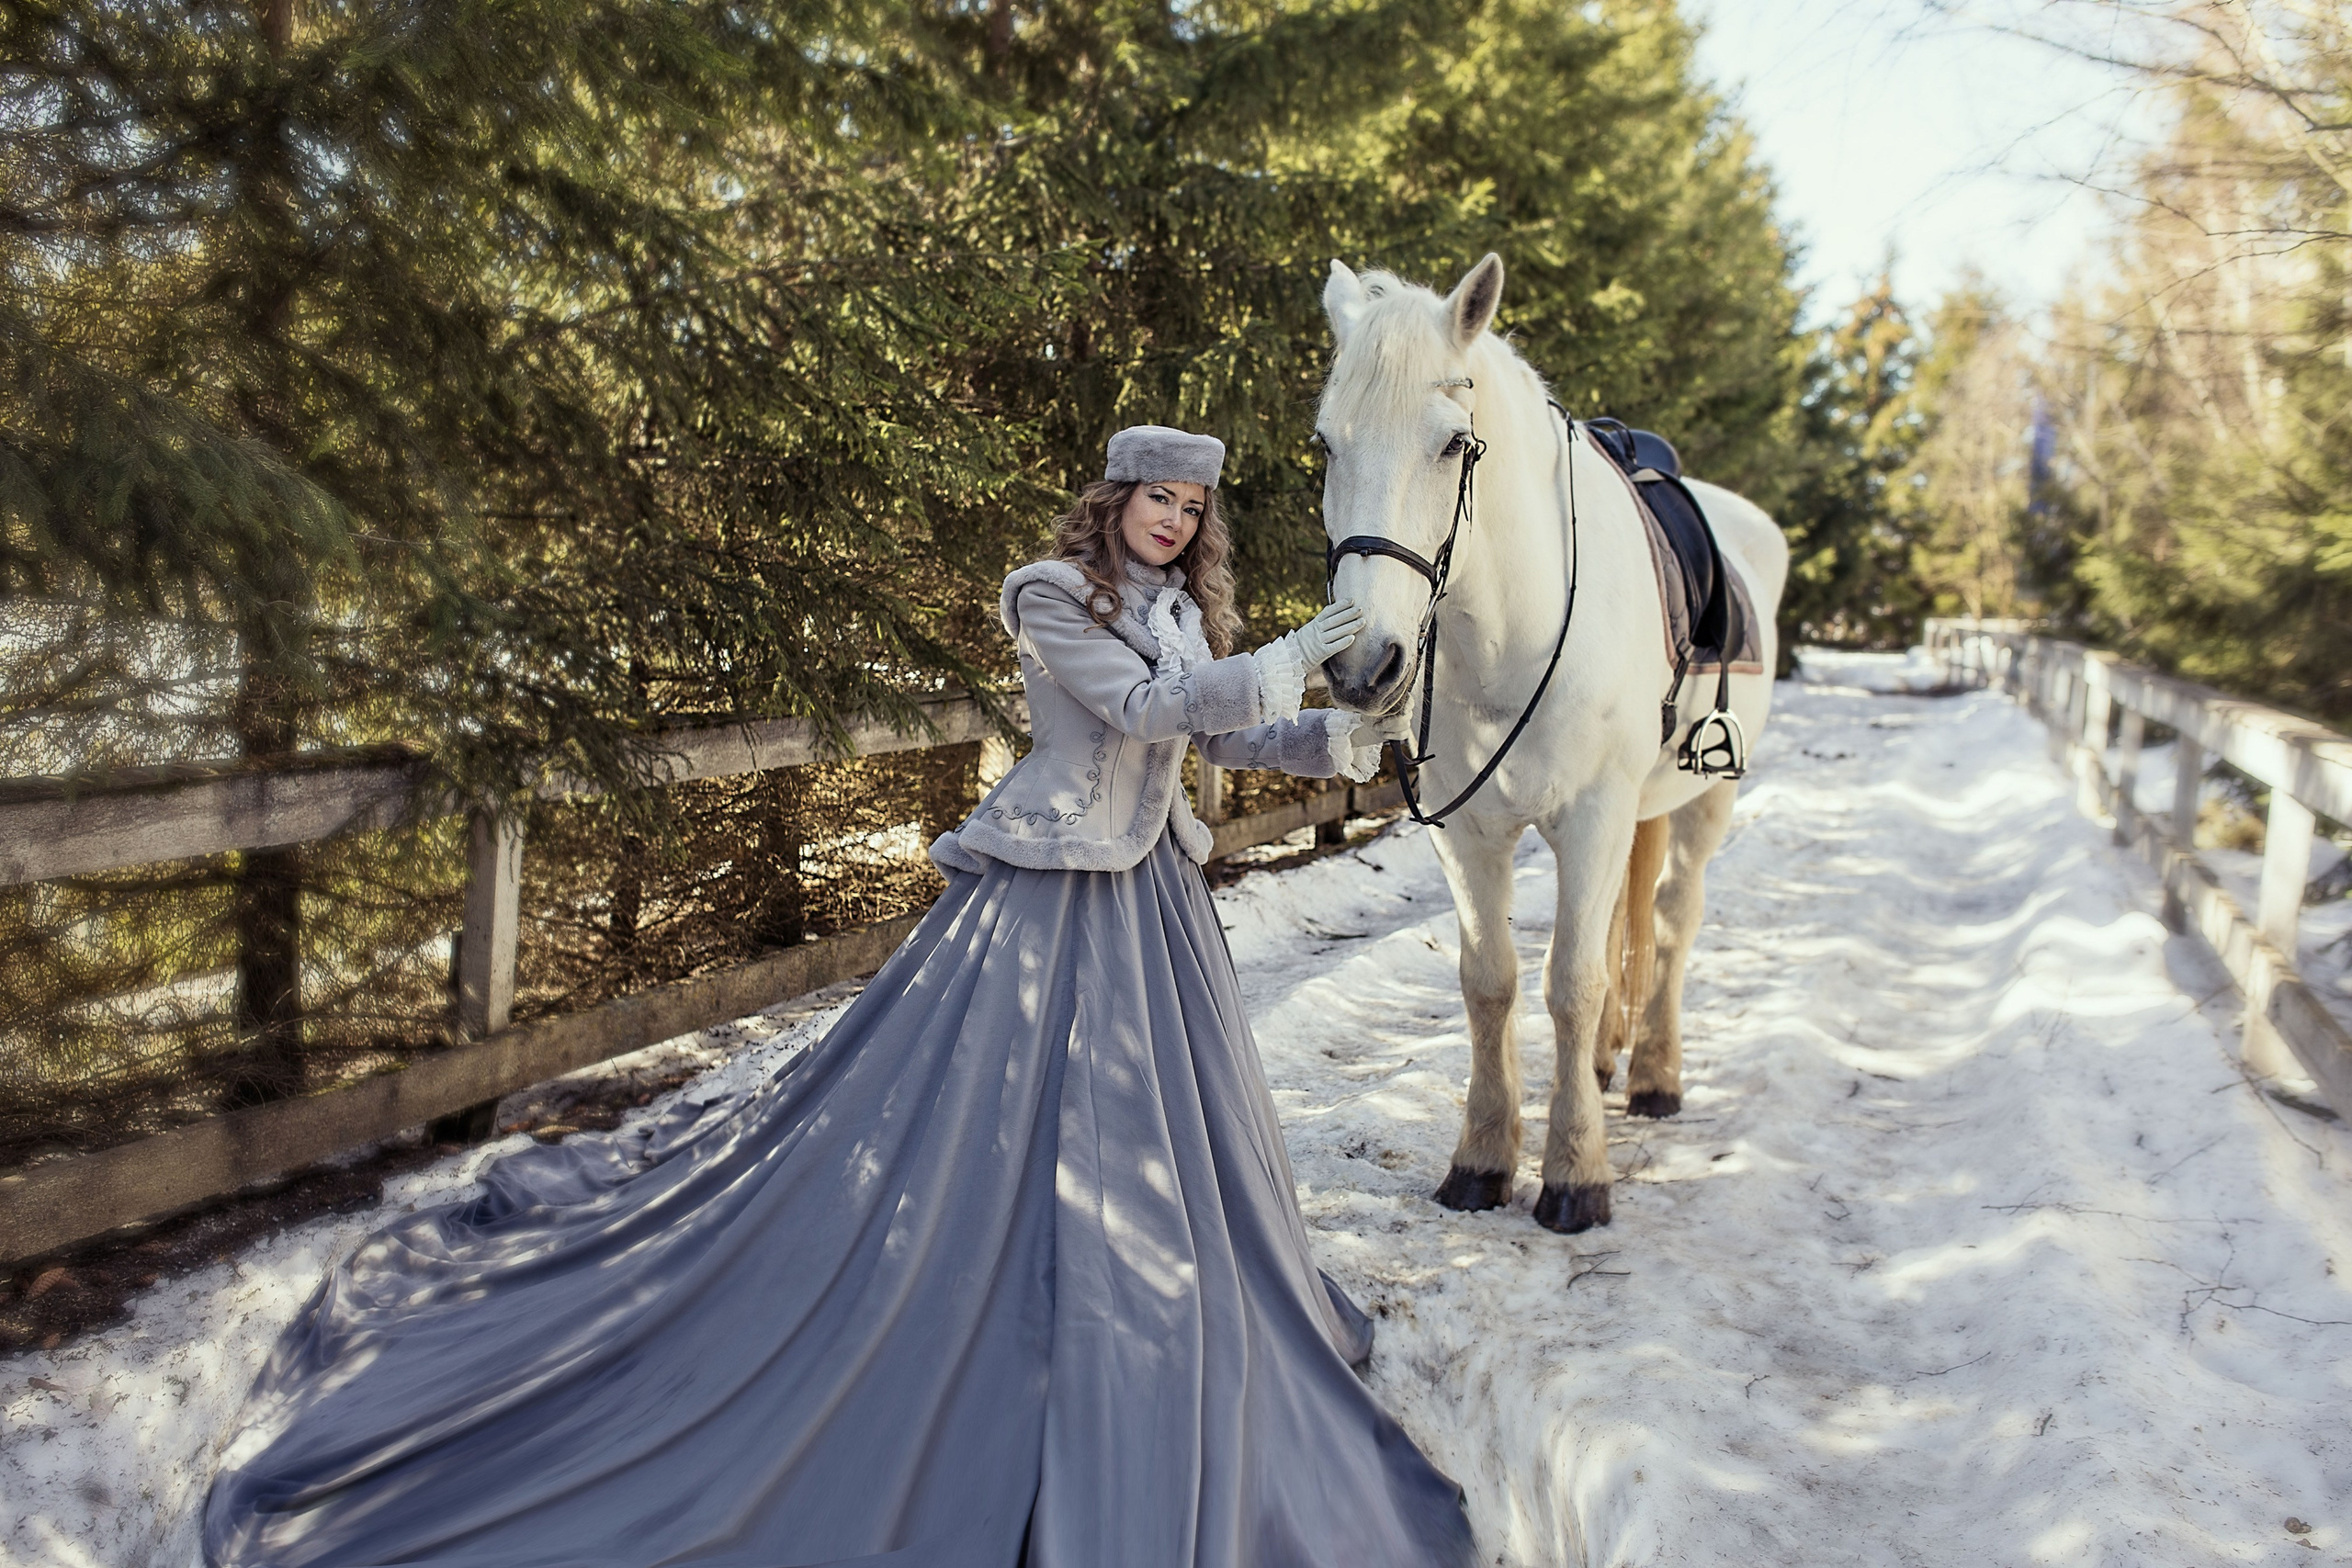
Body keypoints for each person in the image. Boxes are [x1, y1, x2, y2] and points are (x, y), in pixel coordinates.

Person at [203, 425, 1480, 1568]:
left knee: (1164, 1136)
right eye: (1152, 498)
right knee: (988, 1112)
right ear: (1112, 498)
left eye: (1190, 509)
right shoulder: (1050, 595)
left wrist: (1334, 736)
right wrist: (1275, 661)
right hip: (1045, 894)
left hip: (1151, 897)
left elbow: (1216, 740)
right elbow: (1139, 711)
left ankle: (1129, 1303)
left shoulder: (1188, 613)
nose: (1171, 521)